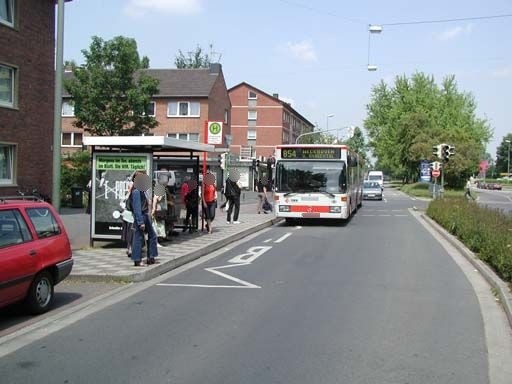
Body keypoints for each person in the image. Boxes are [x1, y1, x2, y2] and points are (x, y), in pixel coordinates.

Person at [131, 172, 158, 267]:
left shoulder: (141, 191)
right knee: (139, 238)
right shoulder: (136, 192)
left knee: (152, 235)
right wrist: (140, 222)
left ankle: (151, 256)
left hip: (145, 215)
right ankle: (137, 259)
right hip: (141, 216)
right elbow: (137, 208)